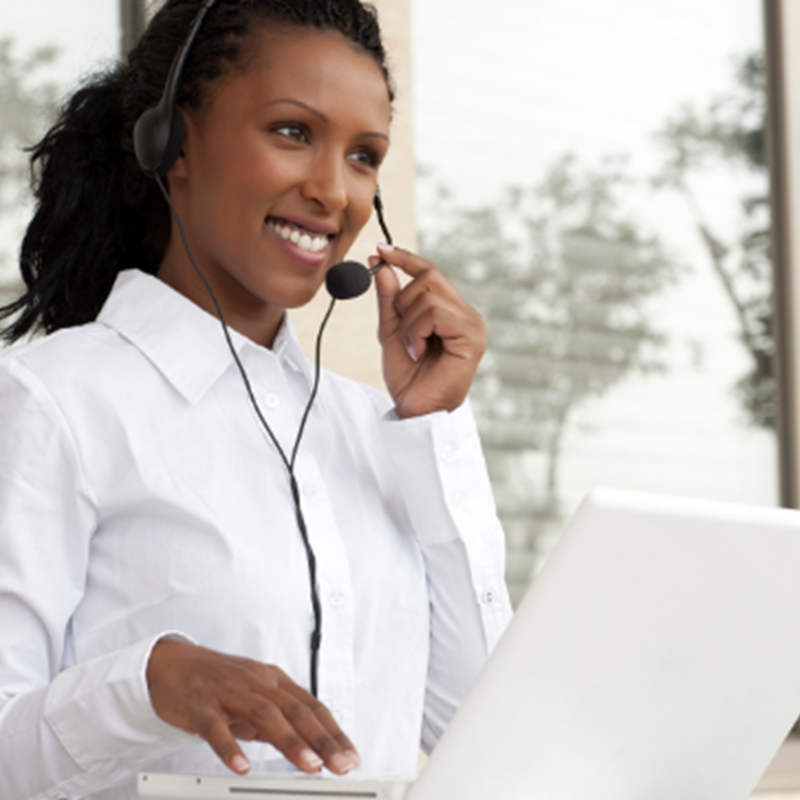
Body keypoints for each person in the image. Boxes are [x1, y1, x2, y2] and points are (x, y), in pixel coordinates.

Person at [0, 1, 512, 797]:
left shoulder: (370, 429)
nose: (332, 191)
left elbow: (485, 733)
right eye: (292, 132)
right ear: (172, 142)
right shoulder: (56, 401)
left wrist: (431, 425)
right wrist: (146, 684)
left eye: (364, 155)